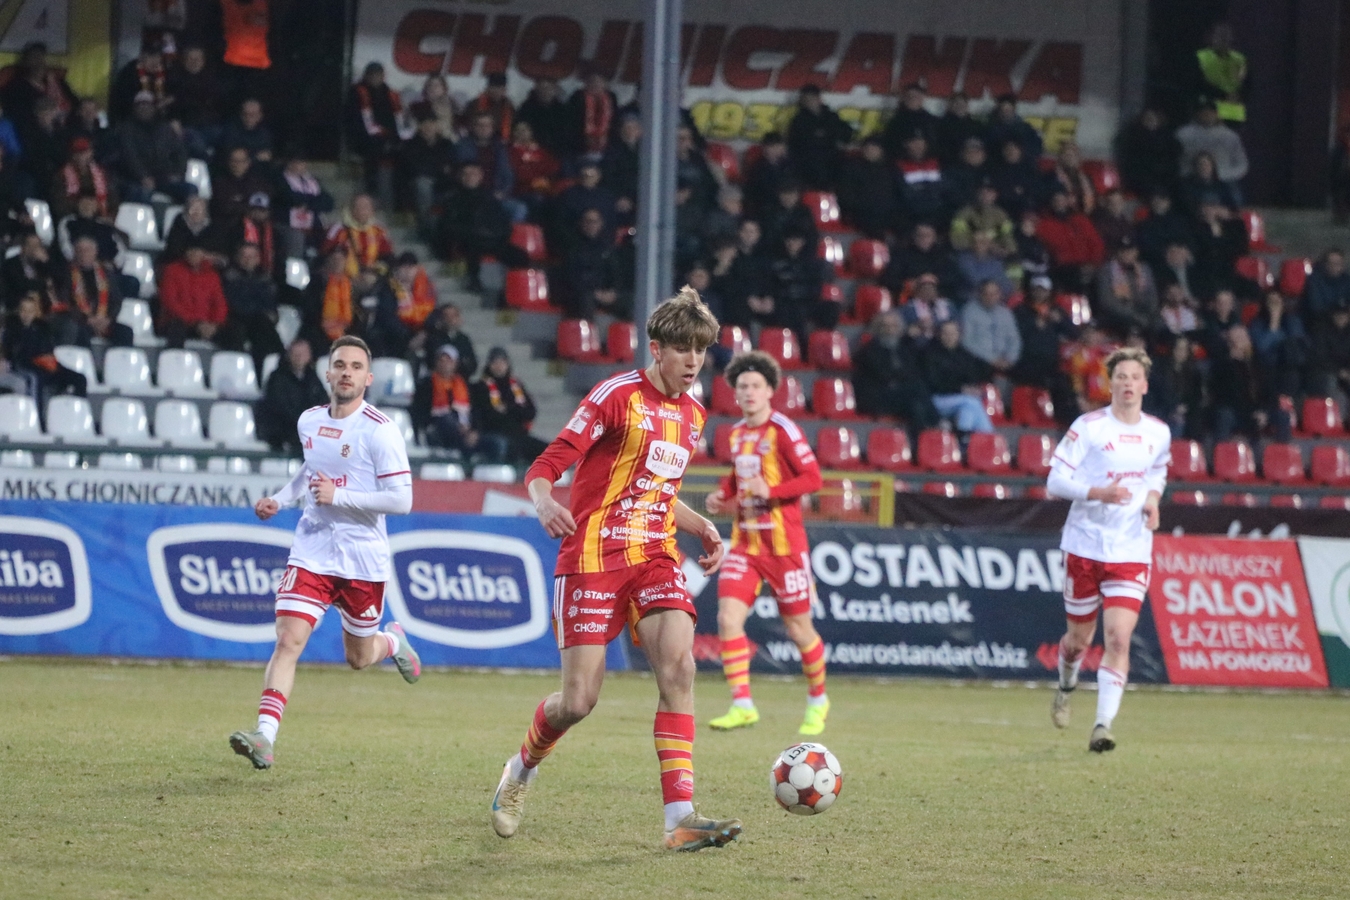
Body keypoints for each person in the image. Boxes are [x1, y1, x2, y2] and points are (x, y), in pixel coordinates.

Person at [489, 288, 742, 852]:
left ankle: (680, 819)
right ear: (657, 349)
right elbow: (547, 463)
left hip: (653, 556)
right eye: (682, 349)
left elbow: (656, 492)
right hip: (592, 558)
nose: (693, 361)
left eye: (701, 350)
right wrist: (543, 501)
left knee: (679, 670)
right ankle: (521, 769)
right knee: (577, 702)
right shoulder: (615, 396)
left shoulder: (694, 415)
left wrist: (698, 523)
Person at [229, 335, 421, 771]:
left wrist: (341, 495)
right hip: (313, 549)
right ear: (328, 373)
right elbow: (310, 470)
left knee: (359, 658)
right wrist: (280, 499)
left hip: (362, 558)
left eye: (356, 366)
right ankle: (265, 736)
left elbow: (402, 500)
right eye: (340, 365)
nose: (347, 372)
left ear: (367, 379)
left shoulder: (380, 430)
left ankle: (393, 641)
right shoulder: (310, 421)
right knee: (288, 639)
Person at [1046, 346, 1170, 753]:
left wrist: (1152, 500)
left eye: (1134, 377)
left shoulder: (1158, 432)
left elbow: (1157, 471)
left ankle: (1102, 725)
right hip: (1084, 546)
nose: (1127, 383)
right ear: (1109, 383)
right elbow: (1054, 481)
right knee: (1078, 641)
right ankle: (1066, 685)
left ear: (1145, 385)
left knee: (1118, 638)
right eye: (1120, 377)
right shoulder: (1089, 427)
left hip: (1131, 550)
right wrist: (1097, 492)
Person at [703, 351, 829, 735]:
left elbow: (813, 478)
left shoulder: (784, 430)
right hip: (746, 545)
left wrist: (771, 491)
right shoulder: (737, 433)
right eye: (742, 386)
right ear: (735, 393)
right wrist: (723, 493)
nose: (749, 392)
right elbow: (738, 475)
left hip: (785, 548)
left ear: (770, 391)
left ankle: (818, 700)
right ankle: (742, 704)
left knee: (799, 630)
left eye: (756, 386)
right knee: (727, 619)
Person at [852, 309, 939, 432]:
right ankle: (936, 423)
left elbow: (912, 372)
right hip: (877, 397)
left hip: (899, 394)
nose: (890, 330)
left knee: (916, 404)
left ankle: (923, 436)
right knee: (916, 390)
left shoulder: (904, 349)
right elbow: (884, 375)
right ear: (878, 328)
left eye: (894, 326)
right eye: (885, 326)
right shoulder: (869, 351)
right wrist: (902, 377)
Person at [469, 347, 547, 465]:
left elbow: (531, 412)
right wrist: (516, 411)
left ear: (507, 364)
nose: (499, 366)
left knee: (549, 451)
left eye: (502, 362)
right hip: (496, 434)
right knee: (509, 447)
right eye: (495, 362)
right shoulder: (481, 386)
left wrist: (508, 409)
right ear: (489, 365)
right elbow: (489, 416)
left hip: (520, 434)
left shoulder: (516, 385)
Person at [2, 292, 86, 401]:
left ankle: (77, 406)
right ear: (19, 311)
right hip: (26, 365)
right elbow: (13, 354)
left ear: (35, 312)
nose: (26, 314)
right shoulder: (12, 330)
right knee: (36, 378)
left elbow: (49, 349)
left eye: (30, 311)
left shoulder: (42, 327)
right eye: (24, 310)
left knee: (80, 378)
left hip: (46, 364)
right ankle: (38, 411)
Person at [53, 236, 133, 348]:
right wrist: (86, 319)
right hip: (81, 321)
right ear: (75, 253)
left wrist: (108, 319)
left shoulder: (106, 273)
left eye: (88, 250)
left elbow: (116, 300)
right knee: (79, 332)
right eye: (80, 250)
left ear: (95, 252)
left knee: (125, 332)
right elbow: (66, 302)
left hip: (104, 320)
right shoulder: (67, 275)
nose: (84, 254)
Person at [345, 62, 404, 213]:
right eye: (372, 75)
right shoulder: (357, 92)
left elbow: (396, 120)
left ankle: (399, 204)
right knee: (373, 151)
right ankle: (371, 193)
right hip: (364, 138)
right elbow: (354, 120)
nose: (375, 78)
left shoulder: (390, 94)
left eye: (378, 75)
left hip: (388, 137)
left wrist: (391, 136)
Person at [220, 241, 284, 377]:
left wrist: (271, 313)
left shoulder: (265, 278)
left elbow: (270, 303)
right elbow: (234, 303)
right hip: (237, 320)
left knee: (266, 332)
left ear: (258, 259)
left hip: (259, 321)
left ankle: (275, 373)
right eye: (244, 256)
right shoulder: (229, 277)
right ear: (237, 258)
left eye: (252, 256)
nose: (248, 260)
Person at [115, 90, 191, 203]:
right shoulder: (126, 130)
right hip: (137, 180)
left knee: (190, 189)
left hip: (165, 178)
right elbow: (130, 156)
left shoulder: (165, 128)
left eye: (148, 104)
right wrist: (143, 177)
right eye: (140, 105)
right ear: (134, 108)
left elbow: (180, 152)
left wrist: (178, 174)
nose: (144, 108)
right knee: (142, 194)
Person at [255, 337, 328, 453]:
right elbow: (279, 408)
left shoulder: (312, 378)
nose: (299, 357)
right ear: (289, 355)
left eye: (302, 354)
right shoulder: (277, 378)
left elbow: (323, 402)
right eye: (295, 354)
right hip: (284, 432)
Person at [923, 320, 995, 433]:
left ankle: (965, 439)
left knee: (968, 410)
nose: (949, 336)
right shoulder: (930, 354)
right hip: (936, 399)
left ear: (959, 335)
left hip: (959, 399)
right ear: (939, 334)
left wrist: (973, 389)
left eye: (953, 333)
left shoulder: (964, 355)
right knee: (971, 402)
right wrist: (961, 389)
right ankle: (988, 436)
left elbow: (976, 375)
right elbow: (934, 383)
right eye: (945, 333)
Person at [158, 238, 228, 347]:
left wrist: (215, 323)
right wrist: (195, 322)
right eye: (191, 251)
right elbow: (170, 301)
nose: (194, 255)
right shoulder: (172, 270)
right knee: (176, 328)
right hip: (180, 321)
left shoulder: (212, 275)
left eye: (197, 251)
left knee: (233, 332)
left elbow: (219, 302)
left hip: (206, 323)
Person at [1175, 100, 1247, 205]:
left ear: (1217, 114)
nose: (1207, 115)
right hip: (1191, 180)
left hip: (1223, 181)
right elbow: (1174, 159)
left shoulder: (1230, 136)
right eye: (1204, 112)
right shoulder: (1183, 134)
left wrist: (1222, 174)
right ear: (1197, 113)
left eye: (1211, 112)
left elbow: (1242, 164)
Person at [412, 344, 477, 455]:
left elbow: (474, 411)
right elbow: (421, 410)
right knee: (447, 420)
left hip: (466, 427)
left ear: (455, 363)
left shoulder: (464, 384)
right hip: (438, 425)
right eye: (441, 360)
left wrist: (475, 431)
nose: (444, 364)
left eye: (448, 361)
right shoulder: (427, 383)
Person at [785, 84, 852, 191]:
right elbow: (793, 144)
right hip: (808, 168)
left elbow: (847, 132)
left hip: (832, 166)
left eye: (812, 98)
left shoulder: (831, 116)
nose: (809, 102)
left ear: (819, 99)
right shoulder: (799, 120)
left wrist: (839, 142)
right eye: (806, 99)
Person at [1114, 108, 1182, 199]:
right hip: (1138, 181)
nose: (1151, 121)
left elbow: (1173, 160)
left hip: (1162, 181)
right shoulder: (1132, 137)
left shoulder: (1169, 139)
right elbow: (1128, 161)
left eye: (1154, 118)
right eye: (1147, 118)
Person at [273, 157, 333, 259]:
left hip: (313, 224)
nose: (301, 165)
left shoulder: (311, 180)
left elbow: (328, 202)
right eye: (297, 162)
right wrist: (312, 200)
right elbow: (289, 198)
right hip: (288, 225)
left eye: (303, 162)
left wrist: (307, 204)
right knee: (296, 238)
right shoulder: (280, 179)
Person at [1195, 23, 1247, 127]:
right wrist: (1222, 94)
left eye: (1226, 36)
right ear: (1211, 38)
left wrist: (1237, 95)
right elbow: (1198, 82)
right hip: (1210, 105)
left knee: (1232, 133)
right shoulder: (1201, 56)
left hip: (1233, 107)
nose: (1223, 40)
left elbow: (1245, 82)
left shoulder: (1239, 59)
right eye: (1220, 36)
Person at [51, 137, 115, 220]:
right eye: (77, 153)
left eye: (84, 152)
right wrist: (78, 205)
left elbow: (113, 200)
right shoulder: (61, 176)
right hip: (73, 220)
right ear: (72, 155)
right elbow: (58, 204)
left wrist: (96, 205)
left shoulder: (103, 173)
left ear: (91, 152)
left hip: (100, 218)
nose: (81, 156)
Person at [464, 72, 514, 141]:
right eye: (493, 88)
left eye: (500, 88)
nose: (496, 91)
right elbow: (467, 123)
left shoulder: (509, 107)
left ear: (505, 90)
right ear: (487, 88)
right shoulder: (475, 104)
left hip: (501, 141)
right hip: (475, 140)